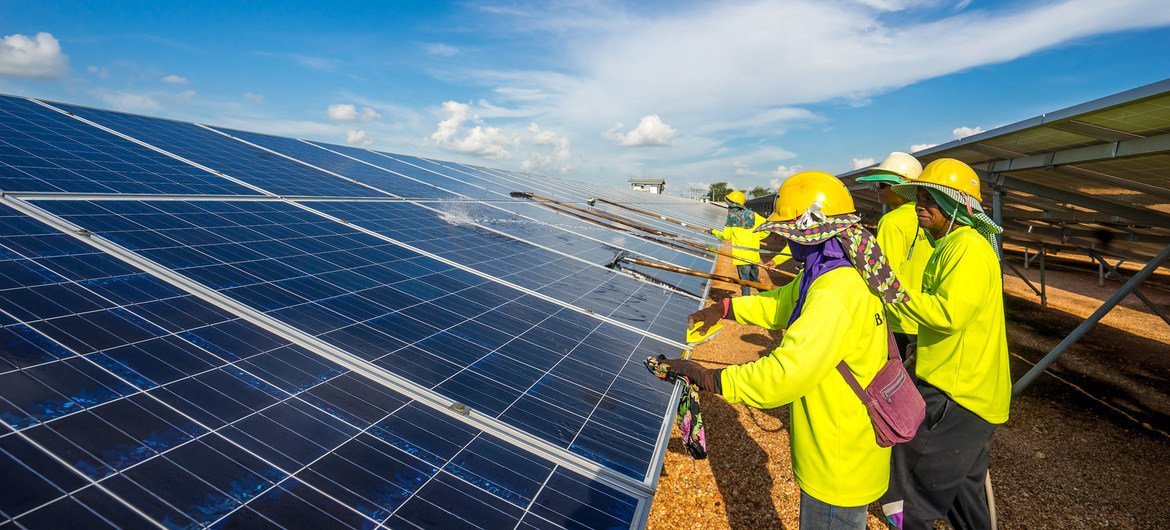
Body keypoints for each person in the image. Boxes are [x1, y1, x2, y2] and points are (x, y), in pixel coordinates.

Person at [662, 171, 910, 529]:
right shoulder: (836, 272)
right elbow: (782, 303)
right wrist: (727, 308)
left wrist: (711, 378)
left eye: (790, 235)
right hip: (851, 445)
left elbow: (784, 375)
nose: (785, 243)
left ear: (810, 234)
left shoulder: (833, 294)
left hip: (837, 459)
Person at [879, 158, 1011, 529]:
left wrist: (895, 295)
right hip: (975, 394)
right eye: (919, 196)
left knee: (904, 496)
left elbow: (950, 314)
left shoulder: (966, 247)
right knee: (962, 497)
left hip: (954, 392)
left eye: (931, 199)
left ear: (957, 205)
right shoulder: (955, 244)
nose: (920, 205)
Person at [856, 152, 933, 356]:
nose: (877, 190)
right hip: (926, 314)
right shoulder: (934, 217)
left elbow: (880, 273)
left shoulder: (892, 221)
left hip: (898, 316)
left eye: (883, 185)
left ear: (903, 188)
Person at [711, 190, 770, 295]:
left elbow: (726, 236)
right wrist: (758, 236)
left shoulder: (732, 219)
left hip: (741, 258)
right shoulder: (754, 216)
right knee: (754, 279)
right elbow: (767, 227)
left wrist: (713, 231)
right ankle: (767, 295)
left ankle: (745, 300)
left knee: (744, 282)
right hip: (754, 256)